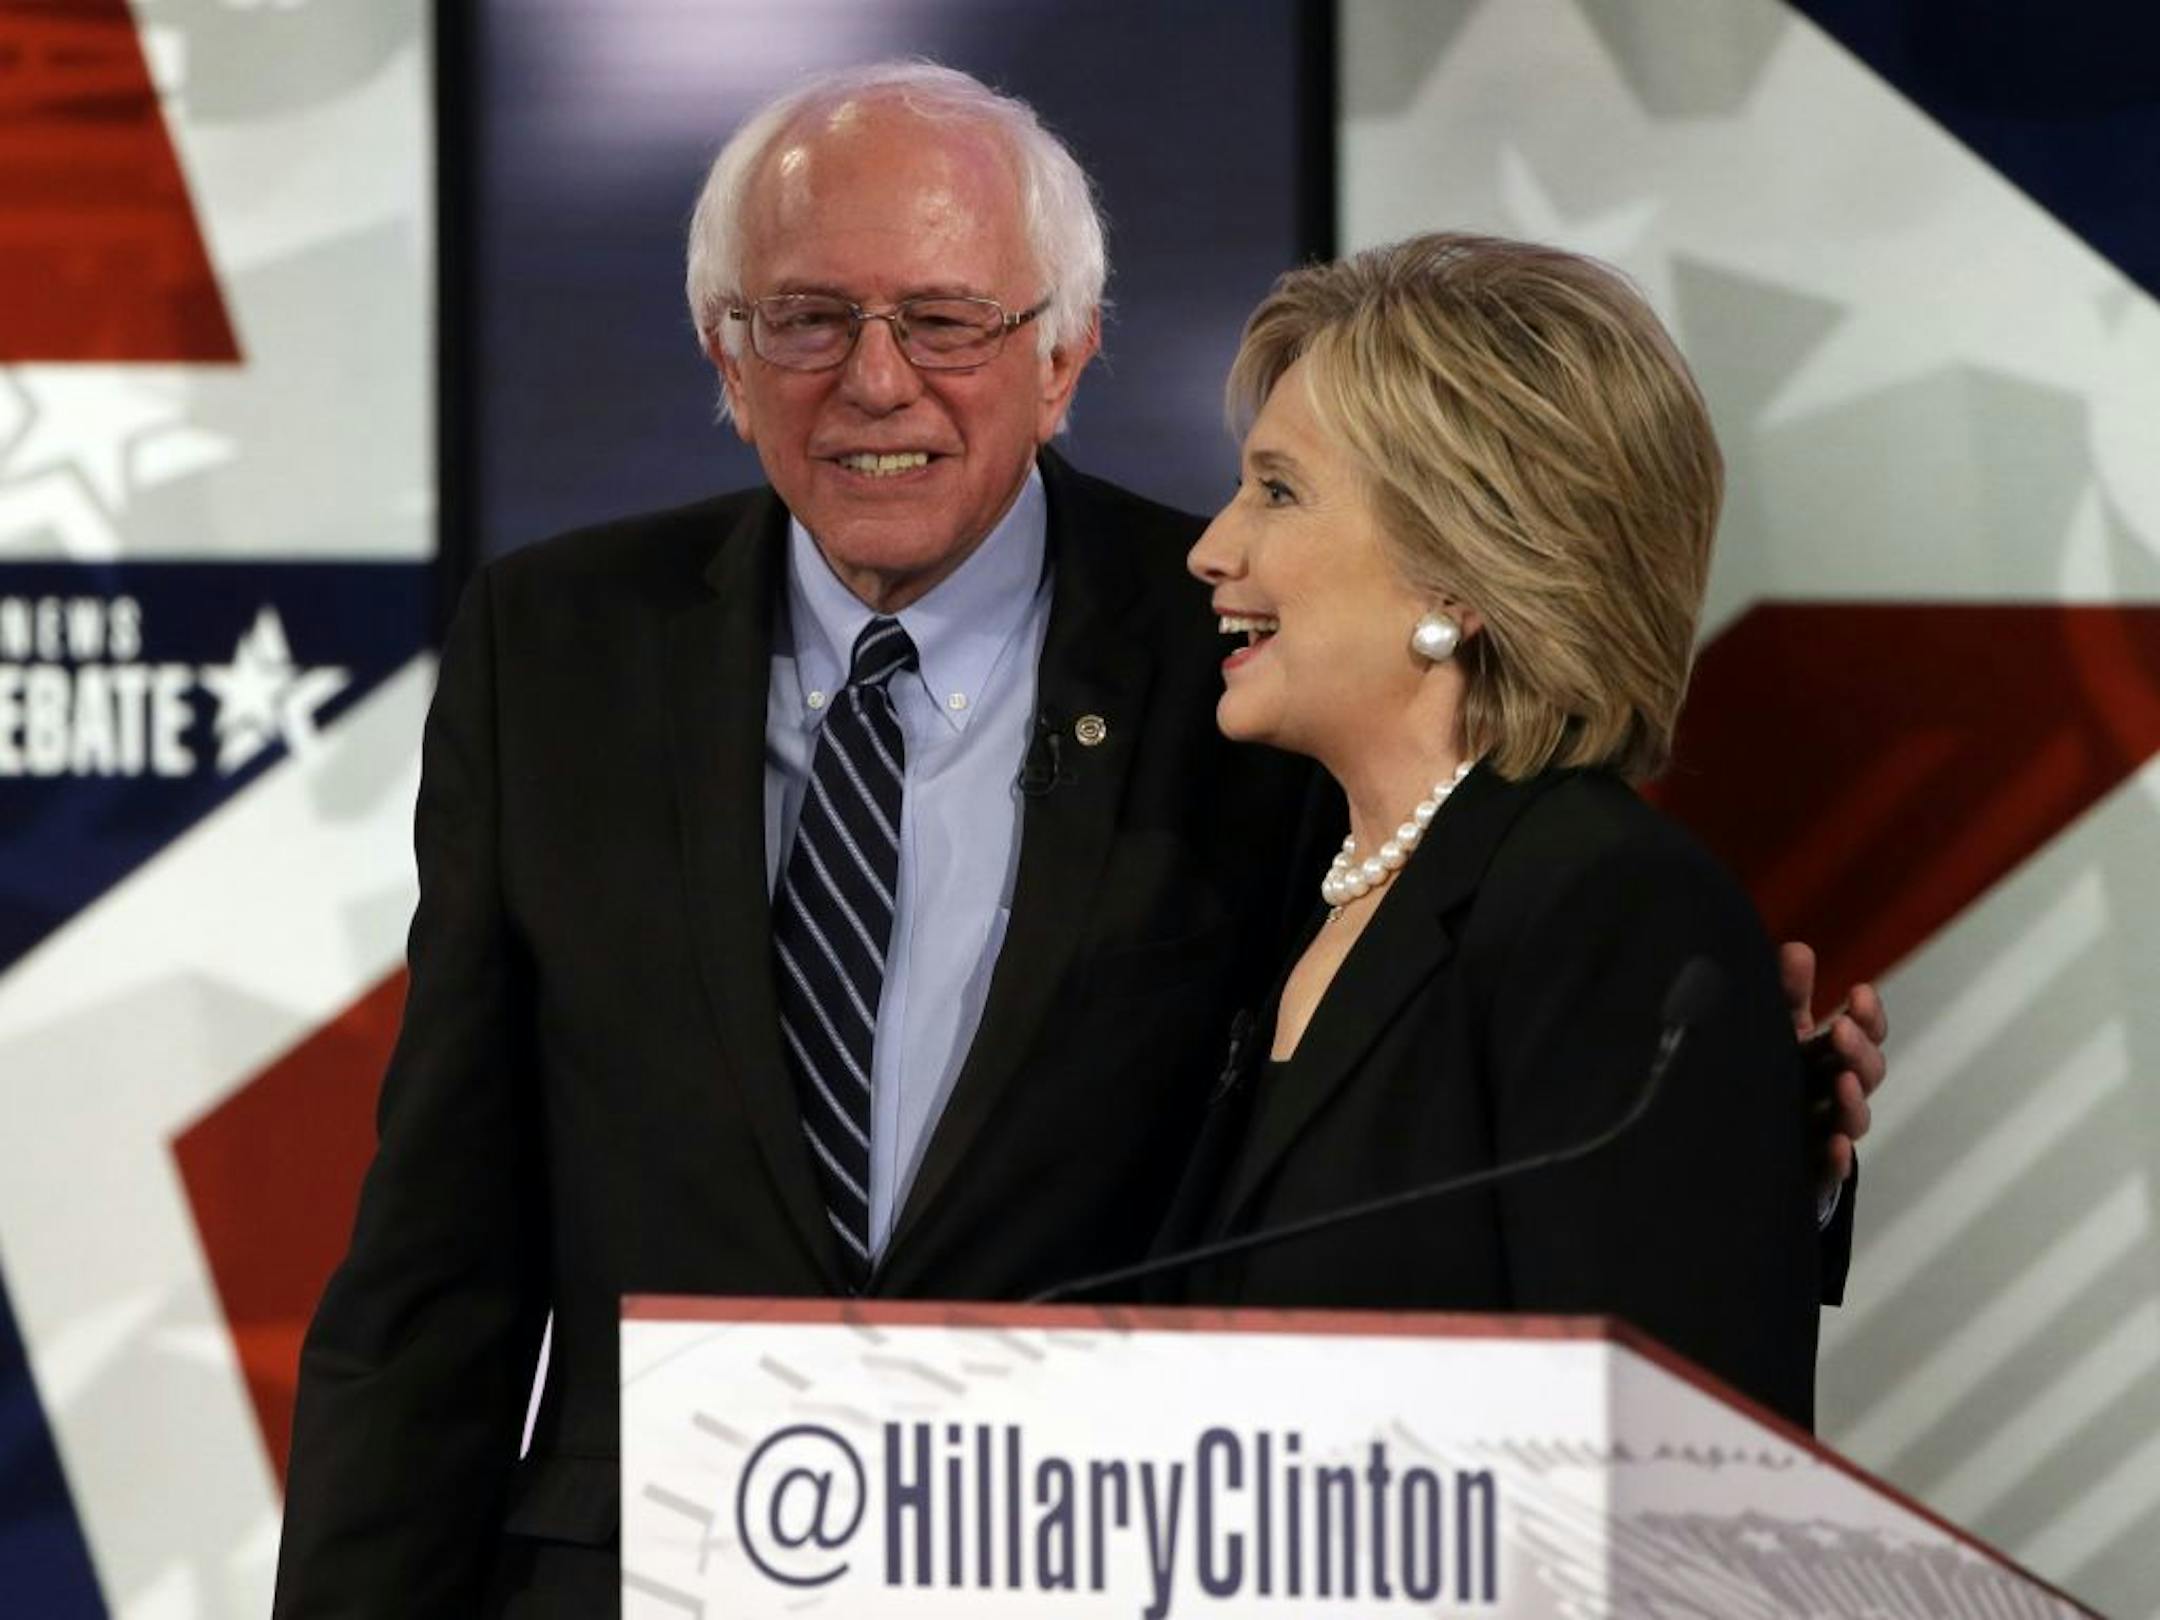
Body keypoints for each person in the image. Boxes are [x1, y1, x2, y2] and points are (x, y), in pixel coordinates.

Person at [273, 65, 1882, 1616]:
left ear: (1066, 352)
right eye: (810, 319)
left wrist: (1737, 1134)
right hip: (641, 1577)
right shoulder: (554, 650)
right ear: (726, 348)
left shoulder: (1244, 695)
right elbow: (438, 1263)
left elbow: (1512, 1201)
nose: (876, 378)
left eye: (949, 320)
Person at [1179, 232, 1833, 1426]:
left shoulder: (1606, 911)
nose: (1211, 548)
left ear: (1459, 571)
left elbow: (1673, 1464)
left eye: (1277, 490)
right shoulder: (1297, 898)